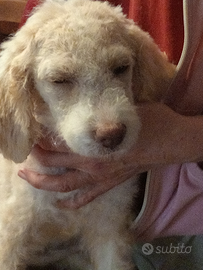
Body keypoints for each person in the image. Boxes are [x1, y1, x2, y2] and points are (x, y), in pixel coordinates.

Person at [18, 0, 203, 240]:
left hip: (189, 219)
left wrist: (187, 138)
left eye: (120, 68)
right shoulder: (45, 29)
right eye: (61, 80)